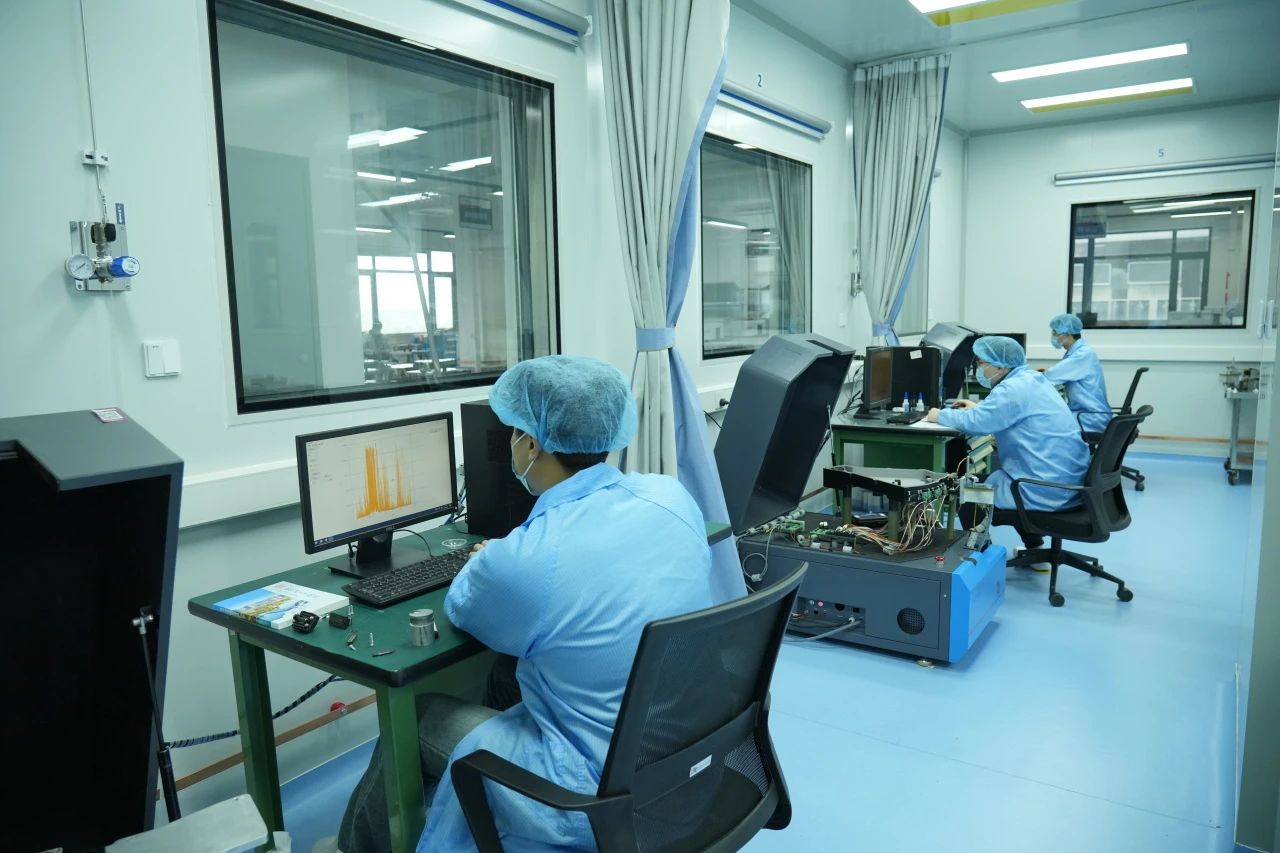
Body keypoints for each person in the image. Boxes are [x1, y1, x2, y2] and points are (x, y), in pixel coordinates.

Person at [329, 355, 724, 853]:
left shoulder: (528, 559)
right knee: (505, 672)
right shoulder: (669, 496)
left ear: (531, 445)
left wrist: (492, 559)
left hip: (588, 793)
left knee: (420, 716)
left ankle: (352, 848)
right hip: (681, 755)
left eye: (513, 432)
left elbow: (465, 606)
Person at [926, 336, 1089, 554]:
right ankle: (1034, 549)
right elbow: (1004, 412)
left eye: (981, 363)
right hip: (1067, 482)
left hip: (1042, 488)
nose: (979, 369)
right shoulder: (1031, 379)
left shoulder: (1012, 388)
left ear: (1000, 366)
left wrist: (939, 415)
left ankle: (979, 555)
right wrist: (979, 408)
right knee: (1000, 479)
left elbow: (977, 423)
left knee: (967, 492)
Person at [1043, 313, 1111, 434]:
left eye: (1055, 333)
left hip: (1090, 418)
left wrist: (1030, 376)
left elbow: (1050, 376)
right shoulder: (1076, 352)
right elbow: (1059, 373)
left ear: (1067, 334)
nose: (1053, 336)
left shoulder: (1083, 354)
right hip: (1083, 413)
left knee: (1043, 423)